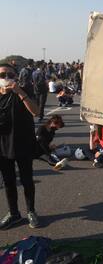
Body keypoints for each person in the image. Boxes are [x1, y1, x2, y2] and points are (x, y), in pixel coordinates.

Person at [0, 64, 40, 229]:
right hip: (2, 145)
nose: (6, 77)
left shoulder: (23, 90)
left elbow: (36, 111)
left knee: (26, 180)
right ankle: (14, 213)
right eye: (2, 75)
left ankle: (31, 211)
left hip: (22, 143)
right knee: (8, 181)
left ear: (16, 76)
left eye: (9, 74)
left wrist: (20, 92)